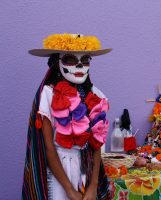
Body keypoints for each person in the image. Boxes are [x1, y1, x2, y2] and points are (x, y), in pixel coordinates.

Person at [22, 33, 112, 200]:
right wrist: (69, 190)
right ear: (57, 63)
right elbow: (48, 147)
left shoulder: (95, 95)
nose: (79, 65)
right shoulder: (48, 95)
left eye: (85, 59)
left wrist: (93, 186)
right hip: (59, 173)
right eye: (70, 59)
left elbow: (96, 144)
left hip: (87, 169)